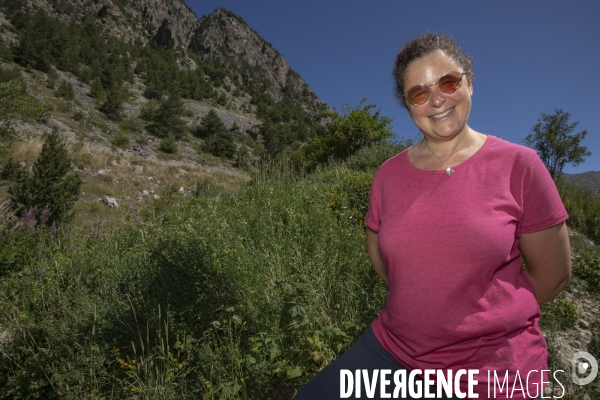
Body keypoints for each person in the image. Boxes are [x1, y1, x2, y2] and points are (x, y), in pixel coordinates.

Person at [294, 33, 571, 399]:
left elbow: (553, 277)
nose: (437, 99)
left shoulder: (520, 165)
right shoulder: (387, 176)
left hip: (495, 369)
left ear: (469, 82)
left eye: (449, 82)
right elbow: (385, 264)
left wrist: (484, 320)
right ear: (408, 105)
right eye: (419, 92)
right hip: (395, 354)